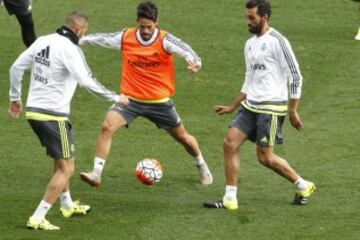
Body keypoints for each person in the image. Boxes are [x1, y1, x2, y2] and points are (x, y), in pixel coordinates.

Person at [9, 11, 125, 230]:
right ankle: (38, 217)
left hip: (34, 112)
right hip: (54, 116)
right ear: (79, 31)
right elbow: (87, 81)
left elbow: (15, 67)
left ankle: (67, 204)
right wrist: (116, 97)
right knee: (67, 169)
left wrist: (15, 98)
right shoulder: (72, 49)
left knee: (60, 160)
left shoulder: (43, 41)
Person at [79, 1, 213, 187]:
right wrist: (81, 39)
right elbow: (104, 38)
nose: (146, 31)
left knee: (183, 138)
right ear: (137, 22)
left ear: (156, 22)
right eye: (142, 27)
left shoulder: (165, 40)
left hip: (159, 102)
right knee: (107, 126)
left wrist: (194, 62)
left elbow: (187, 51)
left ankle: (201, 164)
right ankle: (96, 173)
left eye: (149, 27)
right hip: (130, 99)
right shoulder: (126, 36)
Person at [203, 0, 315, 210]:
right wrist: (232, 106)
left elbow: (296, 75)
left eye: (252, 18)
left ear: (265, 17)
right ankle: (230, 198)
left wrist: (293, 109)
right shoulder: (250, 44)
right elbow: (249, 78)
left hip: (271, 108)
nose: (248, 22)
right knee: (229, 144)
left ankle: (303, 185)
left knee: (265, 157)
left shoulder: (277, 41)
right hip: (250, 106)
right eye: (246, 17)